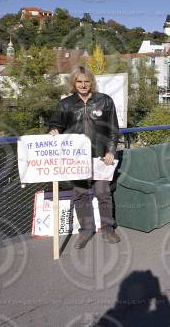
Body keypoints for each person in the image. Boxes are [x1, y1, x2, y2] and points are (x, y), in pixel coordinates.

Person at [49, 65, 120, 249]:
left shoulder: (105, 101)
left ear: (92, 83)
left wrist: (110, 150)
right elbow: (55, 125)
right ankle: (86, 230)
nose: (83, 85)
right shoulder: (65, 104)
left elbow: (113, 129)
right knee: (80, 195)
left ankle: (107, 229)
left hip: (101, 157)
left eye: (86, 81)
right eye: (79, 81)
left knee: (103, 193)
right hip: (76, 158)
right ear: (74, 83)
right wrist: (54, 131)